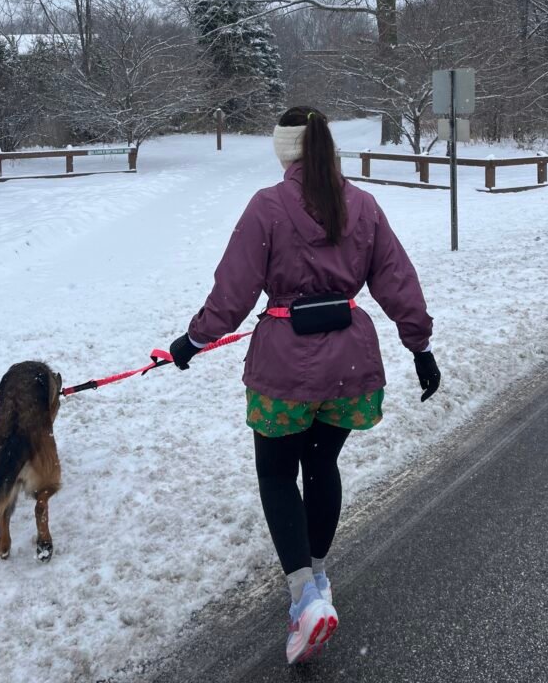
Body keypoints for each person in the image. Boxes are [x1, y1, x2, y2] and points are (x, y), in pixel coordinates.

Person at [169, 106, 439, 664]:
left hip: (283, 373)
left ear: (284, 151)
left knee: (276, 474)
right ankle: (318, 577)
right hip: (350, 369)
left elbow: (233, 290)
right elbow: (397, 281)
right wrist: (421, 347)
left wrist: (193, 341)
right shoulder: (362, 205)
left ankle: (304, 598)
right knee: (321, 465)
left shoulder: (267, 206)